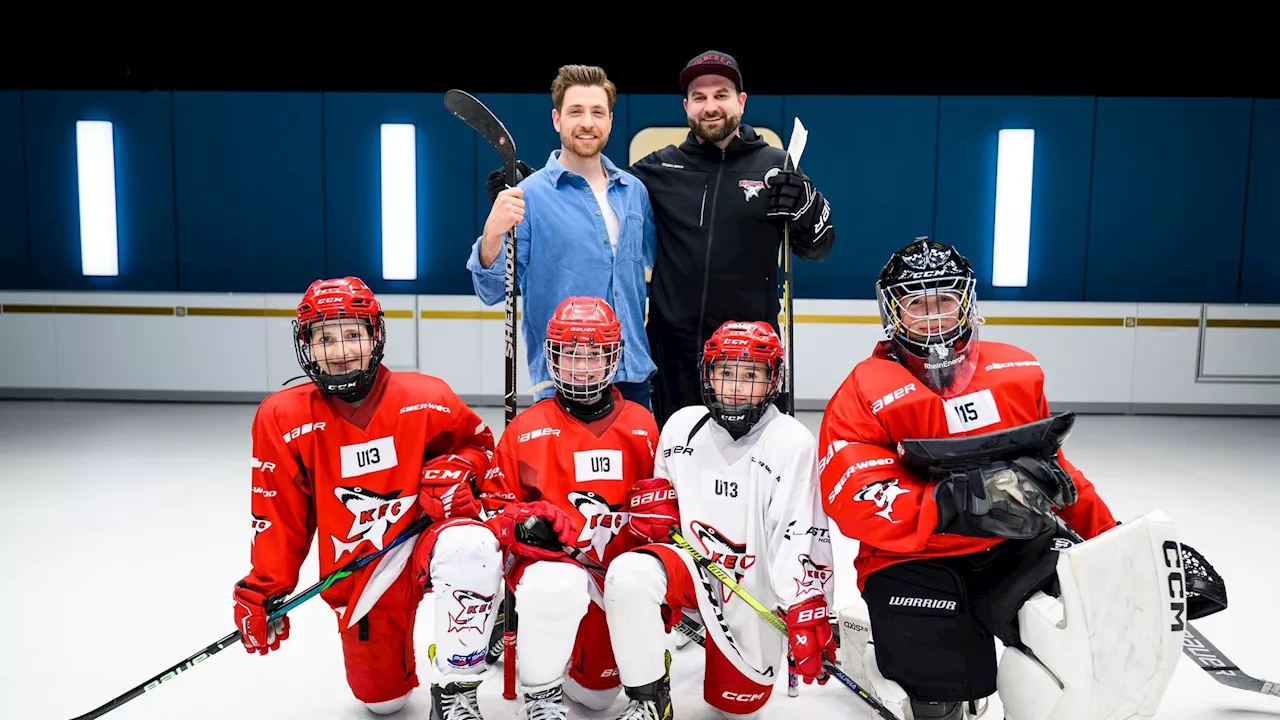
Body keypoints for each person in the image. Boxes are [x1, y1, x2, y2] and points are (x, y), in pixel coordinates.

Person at [817, 238, 1185, 719]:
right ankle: (905, 672)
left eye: (944, 300)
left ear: (966, 301)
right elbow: (854, 494)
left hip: (1014, 546)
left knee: (1092, 639)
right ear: (893, 312)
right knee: (938, 690)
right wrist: (949, 501)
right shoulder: (864, 389)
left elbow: (1056, 470)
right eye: (916, 303)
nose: (932, 316)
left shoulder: (1016, 370)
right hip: (913, 558)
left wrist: (1116, 545)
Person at [234, 276, 504, 719]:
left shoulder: (426, 396)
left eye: (352, 334)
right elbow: (278, 515)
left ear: (375, 335)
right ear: (306, 344)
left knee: (472, 549)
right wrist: (264, 591)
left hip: (427, 541)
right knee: (382, 702)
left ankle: (457, 680)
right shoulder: (281, 417)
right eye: (325, 338)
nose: (340, 351)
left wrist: (462, 469)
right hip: (362, 567)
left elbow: (483, 450)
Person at [602, 320, 836, 720]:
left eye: (750, 376)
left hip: (750, 589)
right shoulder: (681, 426)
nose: (736, 387)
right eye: (726, 373)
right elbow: (664, 517)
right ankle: (649, 699)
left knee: (736, 710)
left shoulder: (790, 440)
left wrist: (807, 605)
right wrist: (653, 517)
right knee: (629, 574)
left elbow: (800, 531)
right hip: (689, 570)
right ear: (707, 374)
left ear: (773, 380)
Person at [477, 295, 662, 718]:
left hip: (613, 582)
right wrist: (520, 524)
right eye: (569, 355)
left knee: (595, 697)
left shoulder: (642, 425)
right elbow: (494, 509)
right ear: (552, 357)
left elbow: (664, 505)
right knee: (552, 583)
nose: (581, 367)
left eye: (593, 355)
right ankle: (540, 695)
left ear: (613, 356)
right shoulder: (526, 429)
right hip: (553, 578)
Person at [631, 50, 838, 428]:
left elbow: (818, 246)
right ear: (686, 107)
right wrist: (532, 188)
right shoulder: (659, 168)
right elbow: (598, 194)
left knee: (745, 471)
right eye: (700, 97)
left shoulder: (777, 165)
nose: (711, 107)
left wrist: (807, 206)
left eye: (721, 95)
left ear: (741, 102)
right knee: (676, 464)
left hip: (747, 360)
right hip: (672, 356)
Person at [468, 64, 657, 409]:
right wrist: (492, 233)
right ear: (557, 120)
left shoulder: (634, 193)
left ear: (610, 121)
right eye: (575, 112)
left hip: (632, 377)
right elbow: (492, 291)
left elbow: (655, 268)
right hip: (563, 378)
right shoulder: (529, 197)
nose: (587, 122)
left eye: (597, 112)